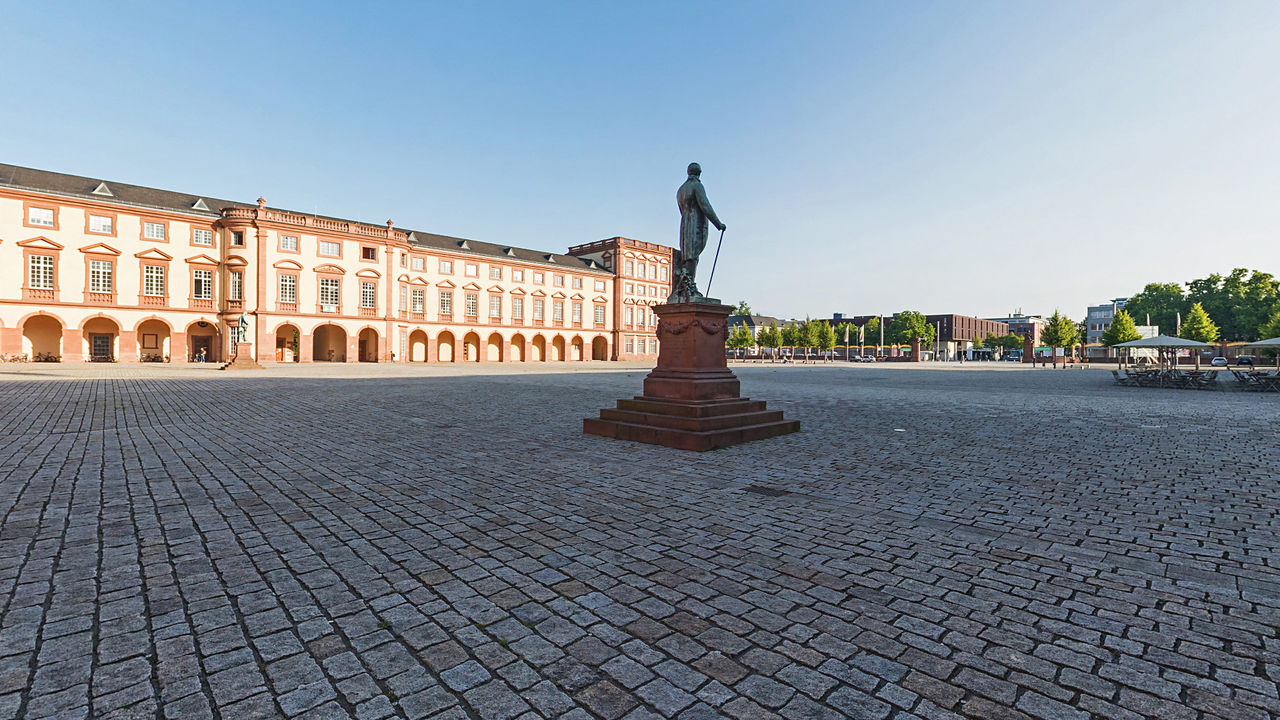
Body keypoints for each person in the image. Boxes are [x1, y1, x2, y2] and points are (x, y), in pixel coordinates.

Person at [670, 163, 726, 302]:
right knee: (692, 256)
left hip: (684, 224)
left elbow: (681, 210)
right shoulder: (697, 186)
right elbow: (705, 205)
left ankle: (684, 288)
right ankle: (689, 288)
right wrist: (718, 224)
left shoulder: (680, 190)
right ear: (699, 173)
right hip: (695, 223)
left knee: (687, 255)